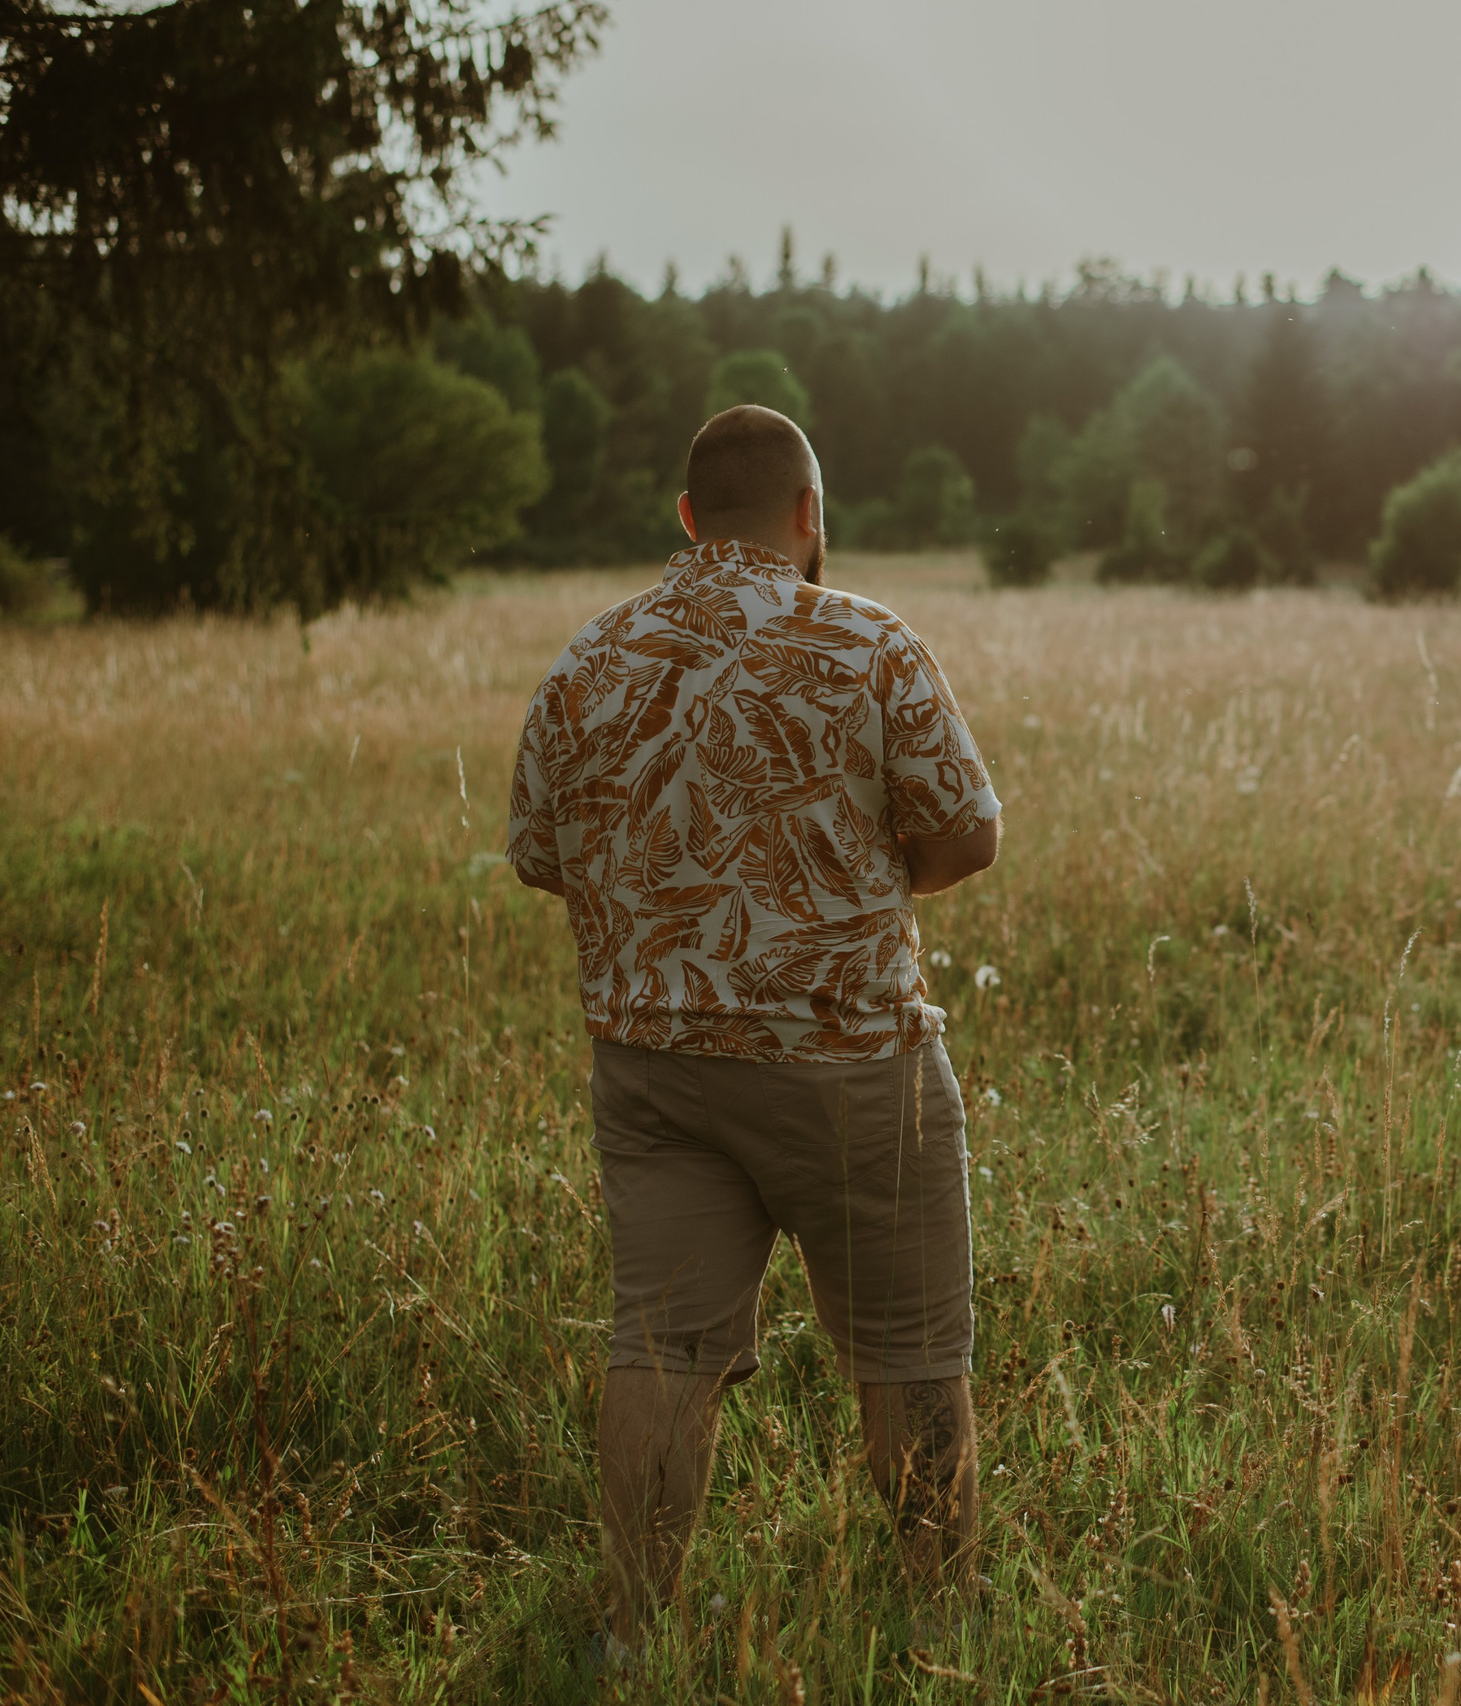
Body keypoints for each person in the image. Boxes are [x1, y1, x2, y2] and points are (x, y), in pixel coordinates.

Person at [505, 405, 1002, 1657]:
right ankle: (938, 1625)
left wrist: (666, 922)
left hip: (654, 1066)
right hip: (850, 1060)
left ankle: (630, 1630)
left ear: (686, 517)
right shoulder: (869, 641)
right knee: (907, 1350)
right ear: (809, 516)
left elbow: (540, 855)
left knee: (660, 1344)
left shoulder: (586, 659)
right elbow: (968, 832)